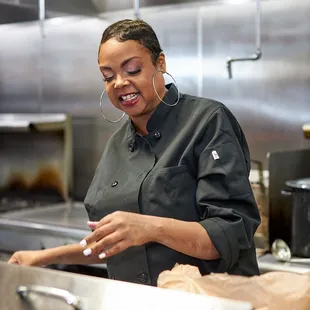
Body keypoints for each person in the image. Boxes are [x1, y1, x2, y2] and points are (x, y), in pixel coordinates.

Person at [8, 19, 261, 286]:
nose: (119, 83)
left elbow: (229, 234)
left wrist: (149, 228)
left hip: (211, 301)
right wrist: (43, 257)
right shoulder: (116, 145)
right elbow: (113, 242)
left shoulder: (208, 121)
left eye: (132, 69)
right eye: (108, 76)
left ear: (160, 63)